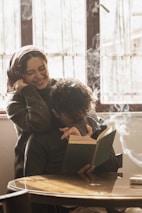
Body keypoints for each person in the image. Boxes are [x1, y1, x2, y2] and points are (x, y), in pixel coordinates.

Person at [24, 78, 119, 177]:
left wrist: (88, 144)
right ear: (56, 113)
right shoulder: (41, 139)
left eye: (83, 114)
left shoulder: (96, 127)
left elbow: (113, 167)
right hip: (57, 191)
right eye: (72, 118)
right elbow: (31, 183)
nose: (80, 120)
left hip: (93, 190)